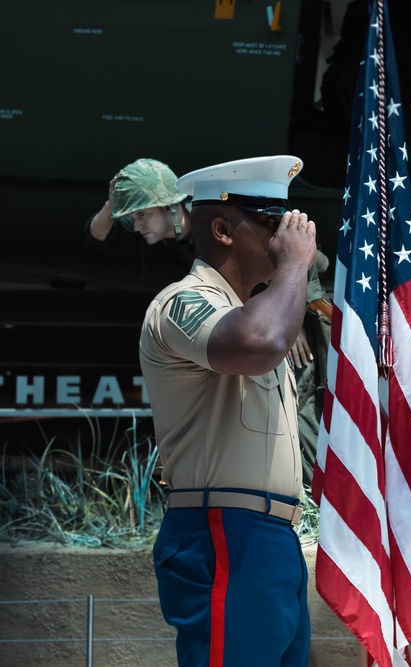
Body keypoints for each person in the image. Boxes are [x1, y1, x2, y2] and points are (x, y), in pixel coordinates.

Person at [139, 155, 315, 666]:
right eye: (270, 219)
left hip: (270, 540)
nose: (287, 232)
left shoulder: (253, 314)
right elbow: (258, 342)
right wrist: (296, 265)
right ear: (220, 229)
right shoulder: (182, 301)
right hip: (223, 531)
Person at [86, 157, 330, 484]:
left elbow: (297, 261)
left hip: (291, 313)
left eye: (142, 214)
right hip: (260, 321)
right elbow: (99, 237)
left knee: (301, 407)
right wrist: (113, 202)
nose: (137, 224)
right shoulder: (176, 234)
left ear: (172, 208)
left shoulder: (218, 220)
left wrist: (294, 320)